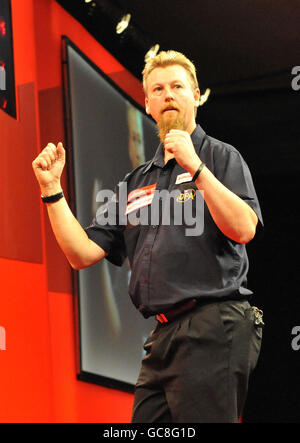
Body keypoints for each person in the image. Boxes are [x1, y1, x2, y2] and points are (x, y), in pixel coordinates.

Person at [32, 50, 264, 423]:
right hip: (162, 336)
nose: (167, 94)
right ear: (148, 104)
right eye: (158, 89)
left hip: (213, 325)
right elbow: (82, 253)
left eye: (177, 86)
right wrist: (51, 192)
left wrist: (196, 167)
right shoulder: (136, 181)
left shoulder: (222, 157)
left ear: (196, 95)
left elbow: (244, 228)